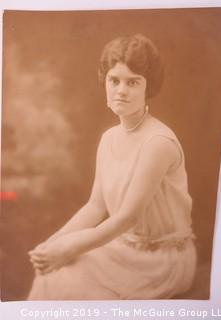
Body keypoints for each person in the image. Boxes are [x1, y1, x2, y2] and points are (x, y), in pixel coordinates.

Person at [28, 34, 197, 300]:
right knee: (51, 271)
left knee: (68, 279)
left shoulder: (157, 143)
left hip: (162, 259)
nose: (121, 90)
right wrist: (52, 243)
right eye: (114, 80)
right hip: (123, 248)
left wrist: (68, 249)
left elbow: (126, 218)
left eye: (133, 82)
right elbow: (96, 207)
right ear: (104, 82)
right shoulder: (109, 139)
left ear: (147, 87)